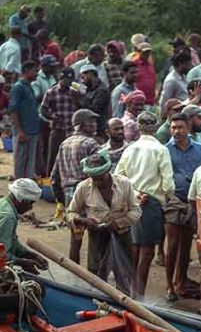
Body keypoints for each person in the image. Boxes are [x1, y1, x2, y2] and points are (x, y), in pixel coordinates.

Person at [115, 111, 174, 298]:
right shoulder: (161, 150)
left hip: (131, 200)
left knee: (134, 247)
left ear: (139, 128)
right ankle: (138, 295)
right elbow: (168, 184)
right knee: (147, 252)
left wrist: (132, 194)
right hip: (151, 203)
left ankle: (132, 291)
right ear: (155, 127)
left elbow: (118, 176)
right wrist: (167, 198)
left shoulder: (130, 149)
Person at [67, 152, 140, 294]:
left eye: (100, 178)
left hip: (122, 235)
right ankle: (98, 303)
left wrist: (119, 222)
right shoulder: (83, 187)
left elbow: (136, 211)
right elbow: (71, 212)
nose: (97, 182)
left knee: (125, 272)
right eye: (93, 178)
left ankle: (126, 304)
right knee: (96, 274)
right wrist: (84, 221)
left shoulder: (124, 183)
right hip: (97, 236)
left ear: (108, 171)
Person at [164, 113, 201, 301]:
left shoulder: (200, 149)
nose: (176, 131)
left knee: (186, 245)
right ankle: (169, 286)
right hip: (173, 201)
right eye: (173, 128)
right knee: (172, 245)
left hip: (193, 201)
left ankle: (181, 282)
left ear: (188, 128)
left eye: (180, 127)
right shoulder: (165, 150)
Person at [52, 108, 101, 264]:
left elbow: (54, 176)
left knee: (76, 239)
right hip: (88, 192)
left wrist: (60, 199)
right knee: (95, 235)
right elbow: (99, 170)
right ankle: (95, 274)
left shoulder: (64, 143)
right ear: (80, 125)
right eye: (91, 122)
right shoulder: (91, 143)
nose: (95, 125)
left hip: (70, 195)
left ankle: (74, 274)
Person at [0, 179, 49, 272]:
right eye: (30, 203)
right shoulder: (8, 217)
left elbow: (11, 241)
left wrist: (30, 254)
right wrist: (21, 262)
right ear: (21, 200)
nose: (30, 208)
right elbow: (1, 254)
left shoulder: (4, 204)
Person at [9, 61, 41, 180]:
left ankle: (26, 186)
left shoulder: (29, 87)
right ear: (26, 71)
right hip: (23, 130)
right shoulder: (18, 88)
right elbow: (13, 110)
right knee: (20, 161)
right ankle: (18, 186)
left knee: (30, 162)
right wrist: (20, 131)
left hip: (32, 130)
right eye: (34, 70)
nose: (37, 73)